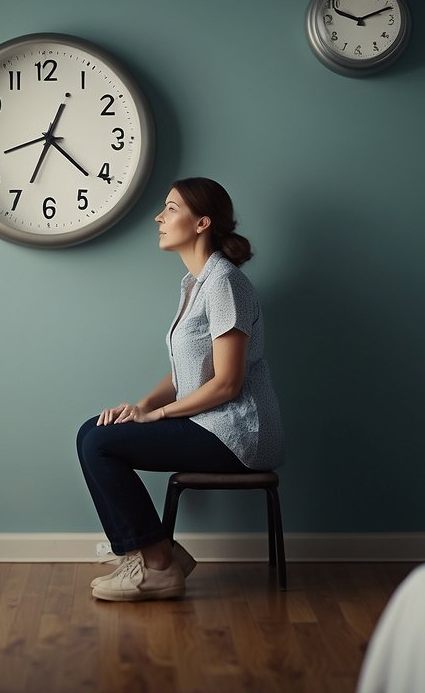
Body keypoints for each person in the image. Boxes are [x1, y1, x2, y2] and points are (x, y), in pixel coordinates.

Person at [77, 177, 285, 602]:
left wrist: (155, 417)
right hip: (209, 426)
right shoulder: (194, 285)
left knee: (98, 442)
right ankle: (156, 552)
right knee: (92, 431)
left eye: (171, 208)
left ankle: (157, 565)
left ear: (202, 222)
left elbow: (227, 383)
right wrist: (139, 407)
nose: (159, 217)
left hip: (237, 436)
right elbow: (182, 374)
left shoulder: (225, 282)